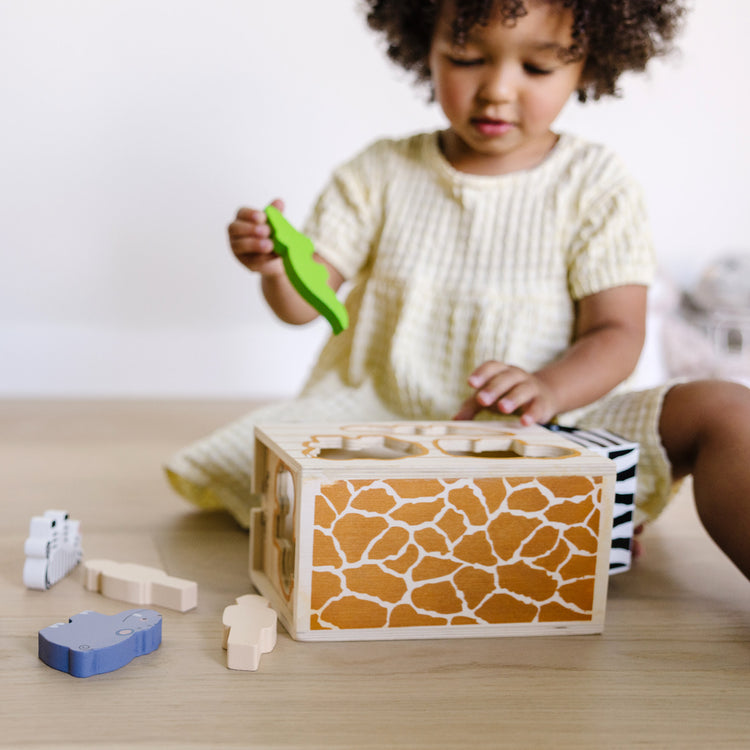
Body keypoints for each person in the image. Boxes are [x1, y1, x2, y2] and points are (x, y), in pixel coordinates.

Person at [165, 0, 750, 580]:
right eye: (468, 57)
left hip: (547, 432)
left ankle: (555, 512)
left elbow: (617, 331)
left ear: (588, 65)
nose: (497, 89)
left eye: (538, 68)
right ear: (426, 47)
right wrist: (275, 267)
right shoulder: (379, 172)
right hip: (383, 422)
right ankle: (545, 527)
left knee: (726, 410)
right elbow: (301, 306)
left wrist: (547, 388)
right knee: (283, 468)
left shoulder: (597, 185)